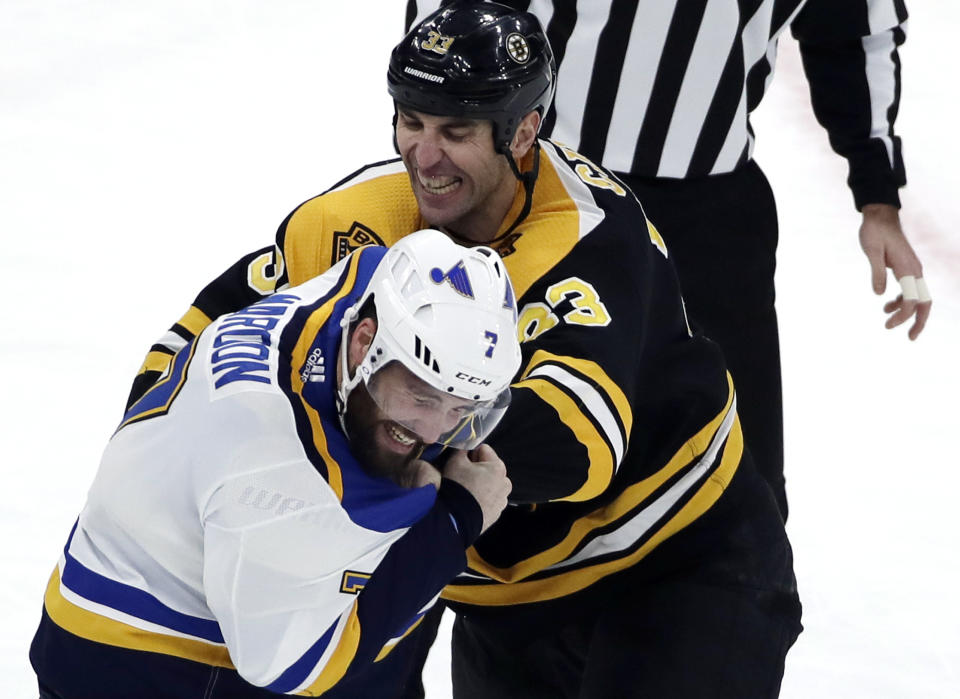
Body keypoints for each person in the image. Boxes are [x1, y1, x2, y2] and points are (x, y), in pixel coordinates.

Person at [123, 3, 802, 696]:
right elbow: (195, 348)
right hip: (501, 604)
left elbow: (577, 440)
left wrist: (364, 425)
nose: (424, 153)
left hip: (679, 563)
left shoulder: (589, 235)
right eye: (411, 122)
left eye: (455, 131)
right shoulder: (351, 222)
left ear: (524, 131)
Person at [404, 0, 932, 521]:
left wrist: (878, 195)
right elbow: (447, 29)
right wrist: (445, 174)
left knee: (739, 477)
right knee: (489, 452)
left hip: (709, 225)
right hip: (537, 204)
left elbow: (851, 25)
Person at [29, 229, 522, 698]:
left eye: (461, 409)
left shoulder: (369, 279)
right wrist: (456, 518)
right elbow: (296, 667)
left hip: (144, 575)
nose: (436, 434)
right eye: (421, 396)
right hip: (149, 668)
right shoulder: (276, 461)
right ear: (364, 343)